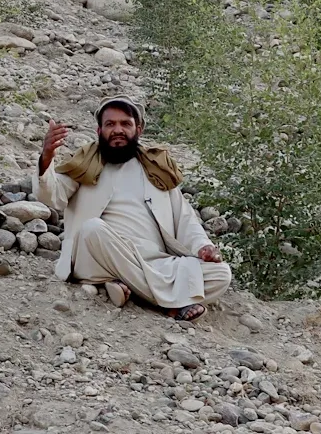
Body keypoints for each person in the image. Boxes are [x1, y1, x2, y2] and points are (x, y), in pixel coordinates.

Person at [33, 95, 232, 322]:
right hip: (98, 254)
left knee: (222, 274)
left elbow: (185, 219)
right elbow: (51, 196)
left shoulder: (156, 169)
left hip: (154, 261)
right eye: (110, 124)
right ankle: (172, 303)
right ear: (99, 131)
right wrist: (46, 158)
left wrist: (203, 247)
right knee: (92, 228)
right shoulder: (85, 163)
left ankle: (127, 285)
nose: (118, 130)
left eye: (125, 124)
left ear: (138, 129)